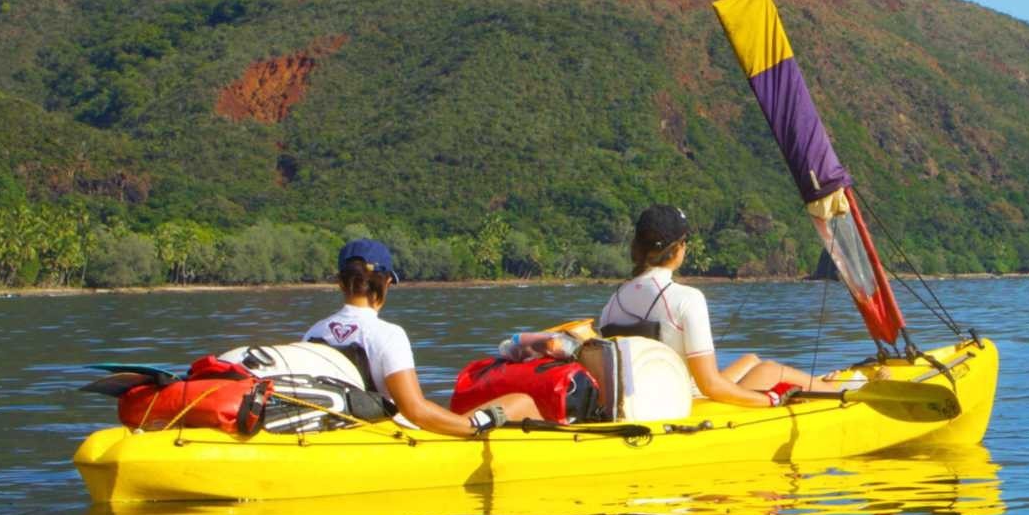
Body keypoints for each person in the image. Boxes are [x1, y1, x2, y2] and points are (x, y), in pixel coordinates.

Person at [305, 238, 540, 438]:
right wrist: (473, 426)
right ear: (386, 282)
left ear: (340, 282)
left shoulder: (313, 333)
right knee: (522, 402)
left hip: (346, 433)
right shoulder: (388, 335)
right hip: (396, 436)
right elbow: (415, 411)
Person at [597, 205, 817, 408]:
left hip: (646, 400)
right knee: (770, 371)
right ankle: (838, 393)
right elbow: (710, 386)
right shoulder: (687, 298)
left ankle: (829, 385)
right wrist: (770, 400)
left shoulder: (612, 303)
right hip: (684, 402)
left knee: (751, 360)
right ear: (679, 247)